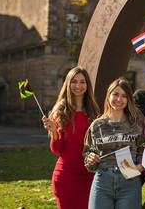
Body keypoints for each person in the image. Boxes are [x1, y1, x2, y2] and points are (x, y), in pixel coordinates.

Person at [42, 66, 101, 209]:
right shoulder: (59, 112)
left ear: (87, 85)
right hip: (66, 178)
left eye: (82, 82)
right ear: (68, 84)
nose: (78, 86)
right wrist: (55, 133)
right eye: (74, 81)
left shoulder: (94, 112)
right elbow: (57, 150)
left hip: (90, 176)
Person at [83, 77, 145, 209]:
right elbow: (88, 154)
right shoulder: (97, 126)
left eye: (124, 96)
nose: (119, 99)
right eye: (115, 94)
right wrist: (91, 159)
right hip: (102, 183)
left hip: (129, 182)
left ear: (128, 99)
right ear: (109, 96)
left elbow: (143, 148)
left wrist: (140, 167)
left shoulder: (136, 123)